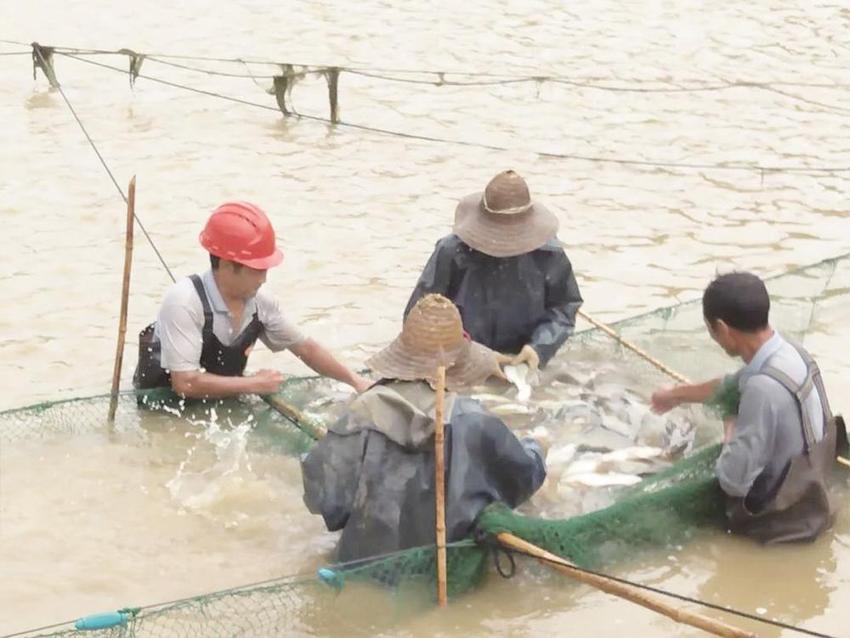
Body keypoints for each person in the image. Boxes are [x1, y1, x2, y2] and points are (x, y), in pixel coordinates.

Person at [301, 294, 547, 562]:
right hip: (449, 559)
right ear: (459, 365)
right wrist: (536, 449)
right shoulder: (474, 419)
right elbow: (523, 480)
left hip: (365, 562)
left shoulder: (361, 412)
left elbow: (325, 500)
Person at [651, 272, 843, 543]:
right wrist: (675, 395)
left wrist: (730, 430)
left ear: (722, 328)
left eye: (711, 331)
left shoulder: (762, 390)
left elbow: (732, 480)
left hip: (783, 524)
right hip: (818, 497)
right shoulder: (792, 352)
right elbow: (732, 384)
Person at [133, 201, 370, 399]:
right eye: (257, 269)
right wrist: (254, 384)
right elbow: (185, 383)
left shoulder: (261, 302)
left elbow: (306, 349)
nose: (264, 278)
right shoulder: (183, 302)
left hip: (222, 399)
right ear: (226, 265)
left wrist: (356, 381)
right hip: (165, 405)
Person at [404, 170, 583, 371]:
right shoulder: (452, 252)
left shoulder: (548, 254)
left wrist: (540, 348)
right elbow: (419, 319)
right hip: (461, 360)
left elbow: (564, 306)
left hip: (521, 358)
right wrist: (474, 355)